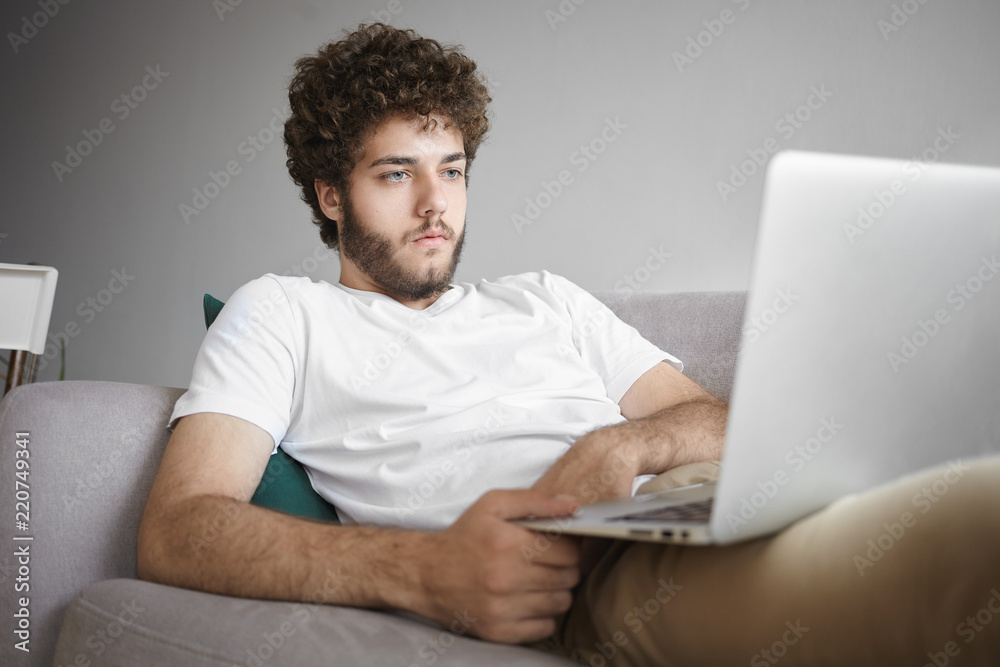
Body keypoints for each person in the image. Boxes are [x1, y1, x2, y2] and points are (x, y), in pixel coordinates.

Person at [138, 23, 1000, 665]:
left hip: (699, 505)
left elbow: (715, 421)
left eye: (453, 170)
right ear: (330, 195)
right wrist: (425, 569)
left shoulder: (542, 298)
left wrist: (623, 443)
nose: (436, 204)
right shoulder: (281, 313)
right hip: (598, 574)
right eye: (397, 173)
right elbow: (178, 528)